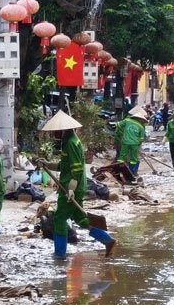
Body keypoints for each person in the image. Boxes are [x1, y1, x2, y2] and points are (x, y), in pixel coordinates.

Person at [38, 110, 117, 260]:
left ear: (62, 130)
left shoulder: (71, 143)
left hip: (71, 187)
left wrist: (71, 190)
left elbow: (76, 169)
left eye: (56, 131)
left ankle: (60, 254)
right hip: (74, 187)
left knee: (60, 219)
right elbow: (64, 165)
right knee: (80, 219)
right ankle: (108, 240)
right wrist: (46, 164)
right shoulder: (68, 141)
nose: (54, 134)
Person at [116, 106, 147, 175]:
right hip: (135, 144)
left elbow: (117, 125)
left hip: (125, 142)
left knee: (122, 157)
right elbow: (142, 138)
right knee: (134, 159)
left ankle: (119, 171)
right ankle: (132, 172)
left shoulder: (127, 120)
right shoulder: (141, 126)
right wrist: (138, 144)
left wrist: (123, 132)